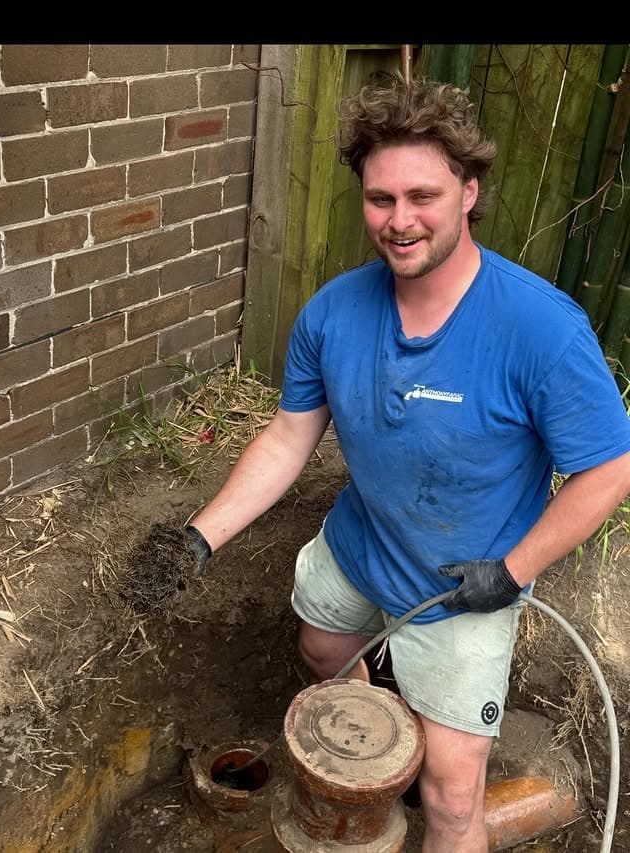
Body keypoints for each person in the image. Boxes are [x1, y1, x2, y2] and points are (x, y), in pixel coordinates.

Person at [183, 71, 630, 852]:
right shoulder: (333, 313)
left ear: (468, 191)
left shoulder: (540, 329)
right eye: (380, 199)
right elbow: (289, 437)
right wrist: (200, 536)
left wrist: (513, 569)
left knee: (454, 801)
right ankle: (373, 763)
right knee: (322, 648)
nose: (400, 220)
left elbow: (610, 469)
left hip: (469, 588)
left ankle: (418, 784)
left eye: (422, 195)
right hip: (362, 546)